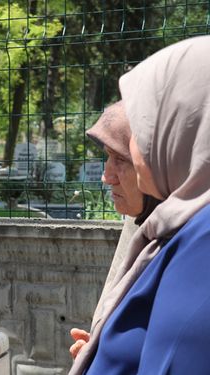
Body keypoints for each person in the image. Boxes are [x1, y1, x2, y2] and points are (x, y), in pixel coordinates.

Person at [71, 35, 210, 374]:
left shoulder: (202, 245)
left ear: (181, 130)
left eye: (144, 131)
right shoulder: (179, 227)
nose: (107, 176)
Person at [69, 101, 160, 358]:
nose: (106, 176)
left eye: (120, 158)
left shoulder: (190, 249)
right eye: (107, 156)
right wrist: (99, 352)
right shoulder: (142, 222)